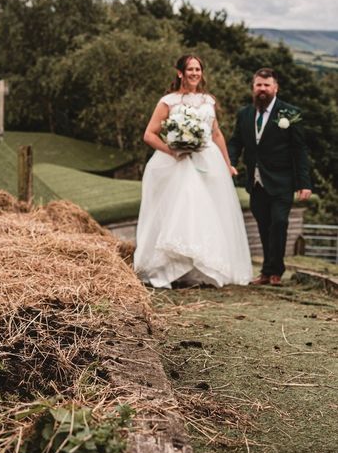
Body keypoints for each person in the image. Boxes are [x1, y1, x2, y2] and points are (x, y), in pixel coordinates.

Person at [134, 55, 252, 288]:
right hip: (177, 162)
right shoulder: (168, 101)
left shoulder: (208, 100)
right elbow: (149, 134)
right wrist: (171, 149)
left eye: (198, 69)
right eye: (190, 69)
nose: (195, 73)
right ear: (180, 73)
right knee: (183, 206)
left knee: (210, 211)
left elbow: (216, 134)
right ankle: (172, 267)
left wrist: (228, 164)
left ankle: (203, 269)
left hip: (209, 161)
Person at [228, 67, 312, 286]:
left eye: (266, 85)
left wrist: (304, 183)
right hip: (255, 182)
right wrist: (230, 162)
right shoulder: (244, 114)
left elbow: (299, 149)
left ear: (276, 87)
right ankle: (266, 271)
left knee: (280, 222)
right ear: (253, 87)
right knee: (264, 226)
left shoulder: (289, 113)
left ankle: (276, 270)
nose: (262, 89)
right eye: (258, 85)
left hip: (282, 182)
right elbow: (236, 141)